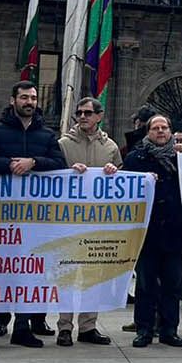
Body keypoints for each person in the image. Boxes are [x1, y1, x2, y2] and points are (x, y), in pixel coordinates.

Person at [0, 81, 67, 349]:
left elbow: (60, 165)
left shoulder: (46, 135)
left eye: (33, 98)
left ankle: (22, 328)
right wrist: (9, 165)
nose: (29, 102)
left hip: (33, 221)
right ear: (13, 100)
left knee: (29, 274)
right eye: (24, 97)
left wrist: (34, 162)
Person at [56, 96, 122, 347]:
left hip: (97, 223)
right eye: (79, 113)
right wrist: (69, 172)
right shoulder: (63, 144)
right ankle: (64, 326)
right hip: (69, 221)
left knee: (93, 277)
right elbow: (51, 174)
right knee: (68, 276)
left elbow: (122, 182)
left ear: (99, 116)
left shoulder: (111, 147)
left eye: (87, 113)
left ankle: (88, 326)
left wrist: (113, 172)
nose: (82, 117)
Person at [122, 114, 182, 347]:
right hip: (146, 234)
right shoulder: (135, 159)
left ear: (171, 131)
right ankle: (144, 329)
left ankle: (169, 330)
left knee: (172, 285)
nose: (160, 131)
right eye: (155, 128)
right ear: (148, 132)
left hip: (174, 232)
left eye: (164, 127)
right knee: (146, 285)